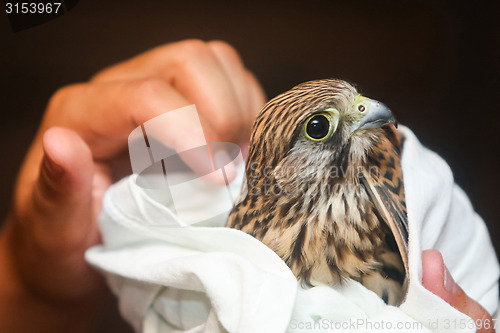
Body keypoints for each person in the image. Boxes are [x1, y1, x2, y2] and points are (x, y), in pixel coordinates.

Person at [0, 40, 494, 333]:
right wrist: (31, 287)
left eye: (358, 104)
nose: (369, 112)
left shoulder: (381, 203)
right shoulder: (242, 238)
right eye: (322, 128)